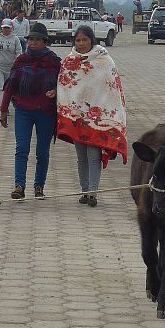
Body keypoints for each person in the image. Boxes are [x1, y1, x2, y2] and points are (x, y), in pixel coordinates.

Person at [57, 25, 128, 208]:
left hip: (99, 118)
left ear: (92, 40)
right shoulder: (69, 61)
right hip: (77, 117)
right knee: (81, 158)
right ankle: (84, 191)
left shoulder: (104, 60)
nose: (81, 44)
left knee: (94, 156)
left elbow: (113, 88)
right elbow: (64, 86)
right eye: (78, 40)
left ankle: (93, 193)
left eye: (84, 40)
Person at [0, 22, 61, 199]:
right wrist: (3, 109)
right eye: (30, 39)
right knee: (22, 148)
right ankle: (19, 186)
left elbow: (64, 84)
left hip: (46, 112)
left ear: (45, 42)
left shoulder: (54, 62)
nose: (32, 43)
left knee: (42, 151)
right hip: (23, 111)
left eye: (37, 40)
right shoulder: (21, 60)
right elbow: (10, 86)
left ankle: (39, 186)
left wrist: (56, 91)